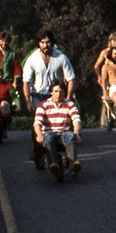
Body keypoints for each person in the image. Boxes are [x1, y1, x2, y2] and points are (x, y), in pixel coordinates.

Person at [22, 29, 76, 165]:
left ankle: (68, 155)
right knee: (38, 124)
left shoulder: (61, 57)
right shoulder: (32, 59)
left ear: (52, 43)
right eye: (42, 42)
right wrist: (28, 101)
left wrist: (68, 97)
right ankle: (38, 153)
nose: (46, 45)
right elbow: (26, 82)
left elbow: (71, 79)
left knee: (64, 123)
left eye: (48, 42)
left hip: (57, 95)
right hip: (38, 96)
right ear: (38, 43)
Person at [33, 81, 82, 180]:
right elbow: (37, 122)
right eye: (55, 91)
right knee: (48, 137)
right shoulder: (43, 105)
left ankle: (74, 163)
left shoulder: (70, 104)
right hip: (49, 133)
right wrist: (39, 134)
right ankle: (53, 163)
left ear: (64, 92)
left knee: (69, 135)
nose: (58, 94)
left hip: (64, 132)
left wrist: (76, 133)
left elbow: (76, 120)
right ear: (51, 92)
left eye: (60, 91)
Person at [0, 31, 22, 142]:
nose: (4, 43)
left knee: (5, 107)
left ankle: (4, 127)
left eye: (7, 41)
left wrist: (15, 80)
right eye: (2, 40)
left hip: (7, 84)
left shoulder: (12, 54)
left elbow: (17, 68)